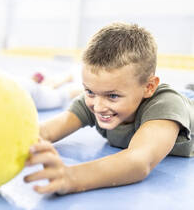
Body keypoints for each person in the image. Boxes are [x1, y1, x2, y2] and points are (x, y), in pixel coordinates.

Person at [24, 22, 194, 195]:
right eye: (89, 91)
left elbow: (139, 160)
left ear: (149, 87)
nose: (97, 106)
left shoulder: (165, 105)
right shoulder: (94, 100)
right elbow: (43, 132)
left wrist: (71, 176)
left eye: (113, 96)